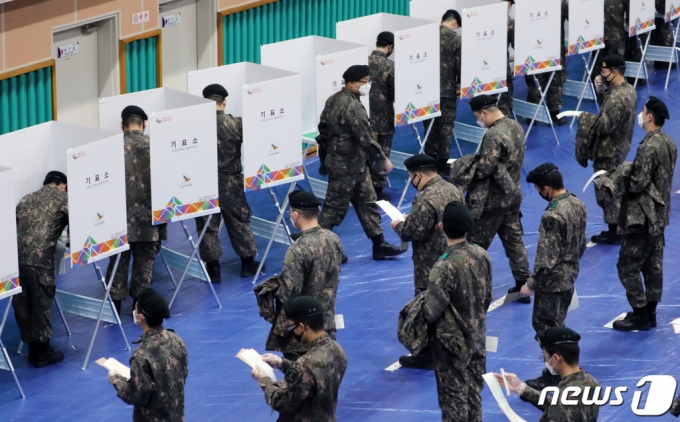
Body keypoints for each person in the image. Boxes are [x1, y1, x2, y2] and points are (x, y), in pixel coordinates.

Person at [317, 64, 405, 262]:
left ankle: (379, 244)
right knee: (332, 210)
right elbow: (365, 137)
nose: (366, 86)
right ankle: (322, 250)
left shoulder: (333, 100)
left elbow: (322, 127)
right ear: (351, 83)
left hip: (354, 165)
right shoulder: (353, 106)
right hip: (345, 167)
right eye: (364, 82)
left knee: (368, 203)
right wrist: (382, 158)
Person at [391, 154, 464, 370]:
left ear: (418, 175)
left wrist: (398, 225)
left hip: (430, 262)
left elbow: (413, 232)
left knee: (427, 305)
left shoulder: (425, 199)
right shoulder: (453, 189)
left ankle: (427, 353)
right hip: (454, 255)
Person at [423, 201, 492, 422]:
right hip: (477, 338)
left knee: (453, 402)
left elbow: (431, 311)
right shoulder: (481, 255)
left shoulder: (443, 267)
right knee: (474, 396)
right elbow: (486, 297)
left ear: (442, 227)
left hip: (451, 346)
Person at [520, 164, 587, 389]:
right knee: (558, 324)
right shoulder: (577, 203)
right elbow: (581, 243)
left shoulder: (553, 215)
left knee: (546, 329)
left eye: (540, 189)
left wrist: (531, 284)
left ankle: (554, 373)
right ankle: (565, 369)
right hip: (569, 275)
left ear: (547, 189)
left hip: (552, 282)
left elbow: (545, 259)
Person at [613, 97, 677, 331]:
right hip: (660, 216)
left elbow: (638, 184)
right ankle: (650, 311)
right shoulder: (669, 143)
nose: (641, 115)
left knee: (627, 265)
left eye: (643, 112)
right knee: (653, 264)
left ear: (649, 117)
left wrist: (622, 176)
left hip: (643, 217)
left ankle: (639, 312)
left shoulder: (648, 147)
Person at [466, 94, 531, 304]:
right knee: (514, 240)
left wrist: (466, 166)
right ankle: (523, 283)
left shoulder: (493, 135)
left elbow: (485, 168)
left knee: (475, 245)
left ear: (484, 113)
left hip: (492, 200)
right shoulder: (515, 126)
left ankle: (472, 288)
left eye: (478, 116)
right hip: (513, 194)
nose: (479, 121)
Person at [195, 83, 262, 282]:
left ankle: (213, 269)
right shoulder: (236, 124)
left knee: (207, 226)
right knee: (238, 221)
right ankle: (247, 263)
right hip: (230, 181)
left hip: (203, 182)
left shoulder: (195, 126)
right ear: (224, 102)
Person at [267, 190, 343, 359]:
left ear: (295, 215)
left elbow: (288, 294)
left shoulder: (298, 249)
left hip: (303, 332)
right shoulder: (333, 239)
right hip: (326, 324)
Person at [107, 106, 167, 315]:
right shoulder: (157, 146)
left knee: (118, 263)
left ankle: (114, 306)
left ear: (122, 125)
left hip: (117, 221)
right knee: (144, 265)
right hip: (148, 220)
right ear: (144, 124)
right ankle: (138, 308)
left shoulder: (110, 148)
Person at [253, 296, 347, 421]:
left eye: (291, 327)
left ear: (301, 327)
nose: (291, 331)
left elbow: (281, 402)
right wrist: (282, 363)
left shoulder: (305, 364)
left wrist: (264, 380)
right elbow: (314, 377)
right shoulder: (336, 350)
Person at [13, 171, 69, 368]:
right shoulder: (64, 198)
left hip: (16, 261)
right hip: (40, 260)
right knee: (41, 303)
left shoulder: (26, 199)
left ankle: (32, 350)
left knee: (24, 304)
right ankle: (42, 353)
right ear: (62, 184)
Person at [108, 288, 188, 421]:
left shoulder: (141, 356)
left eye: (136, 309)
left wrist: (116, 380)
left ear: (141, 318)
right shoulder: (176, 340)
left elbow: (135, 396)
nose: (134, 312)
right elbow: (182, 376)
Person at [494, 327, 601, 422]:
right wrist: (521, 388)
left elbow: (561, 407)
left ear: (556, 358)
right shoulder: (592, 382)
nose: (545, 361)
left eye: (545, 356)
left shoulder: (565, 395)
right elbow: (557, 406)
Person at [590, 55, 637, 245]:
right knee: (617, 186)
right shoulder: (628, 90)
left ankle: (615, 230)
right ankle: (619, 225)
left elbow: (605, 125)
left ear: (614, 72)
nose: (601, 75)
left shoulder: (616, 97)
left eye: (604, 71)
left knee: (607, 190)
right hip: (620, 146)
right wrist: (603, 91)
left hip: (608, 150)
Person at [425, 10, 462, 177]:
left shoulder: (426, 36)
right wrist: (461, 85)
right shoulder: (455, 39)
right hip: (447, 90)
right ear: (454, 22)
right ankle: (443, 161)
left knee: (430, 125)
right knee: (445, 126)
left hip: (426, 90)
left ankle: (429, 157)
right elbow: (460, 65)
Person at [524, 0, 569, 126]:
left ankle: (535, 115)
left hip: (538, 49)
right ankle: (547, 115)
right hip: (547, 48)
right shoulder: (560, 3)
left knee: (542, 81)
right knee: (547, 81)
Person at [369, 31, 396, 201]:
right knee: (382, 152)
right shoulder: (390, 66)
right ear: (390, 47)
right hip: (383, 117)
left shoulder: (365, 62)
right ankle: (377, 189)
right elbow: (395, 93)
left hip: (364, 117)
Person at [498, 0, 515, 117]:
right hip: (502, 70)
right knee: (504, 102)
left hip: (485, 72)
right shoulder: (509, 22)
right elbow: (517, 44)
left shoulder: (487, 19)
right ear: (509, 3)